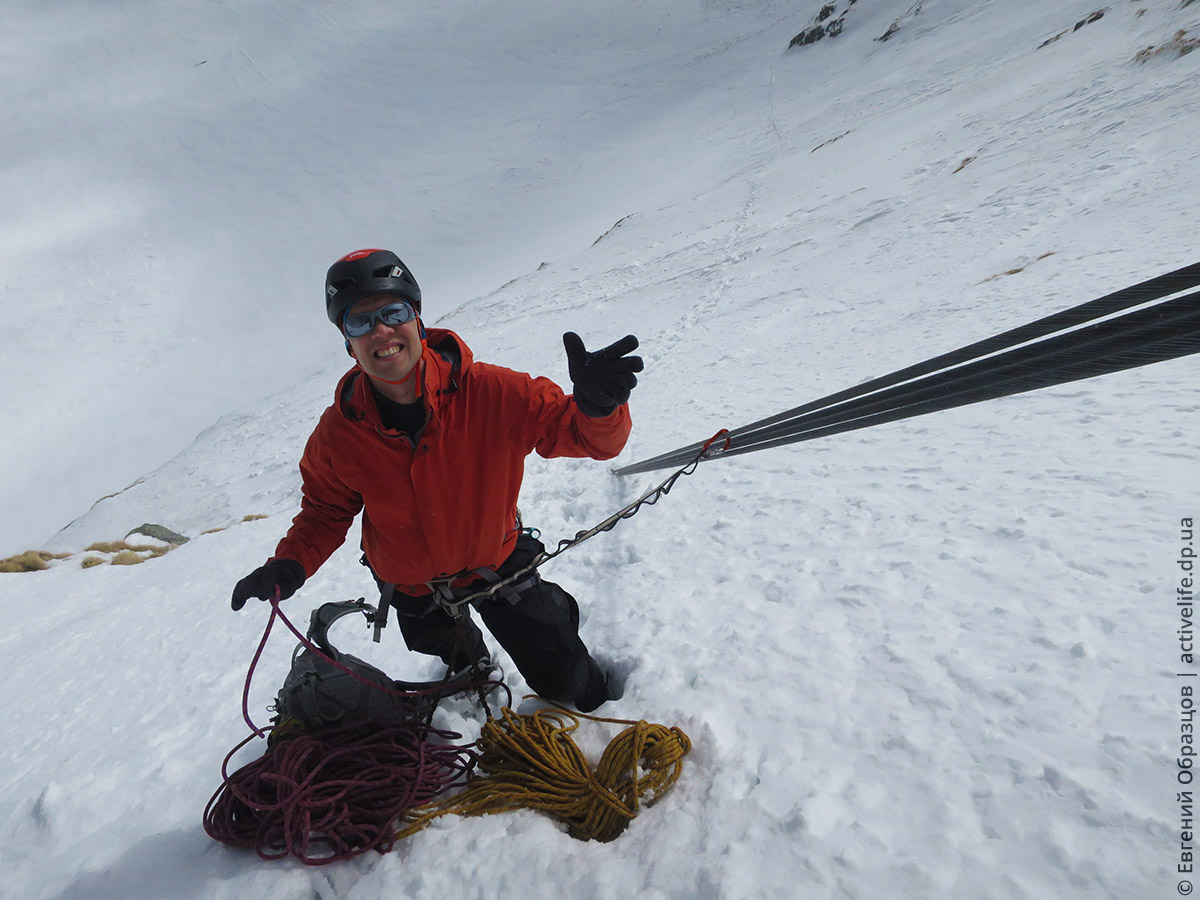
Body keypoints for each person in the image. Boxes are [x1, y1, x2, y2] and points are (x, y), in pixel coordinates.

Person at [231, 249, 642, 712]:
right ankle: (474, 671)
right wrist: (289, 565)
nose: (381, 331)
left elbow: (591, 439)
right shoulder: (338, 435)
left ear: (418, 320)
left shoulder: (494, 393)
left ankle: (601, 703)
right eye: (361, 323)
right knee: (455, 656)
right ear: (348, 342)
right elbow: (325, 511)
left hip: (496, 564)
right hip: (409, 586)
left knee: (564, 678)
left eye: (392, 312)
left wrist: (599, 407)